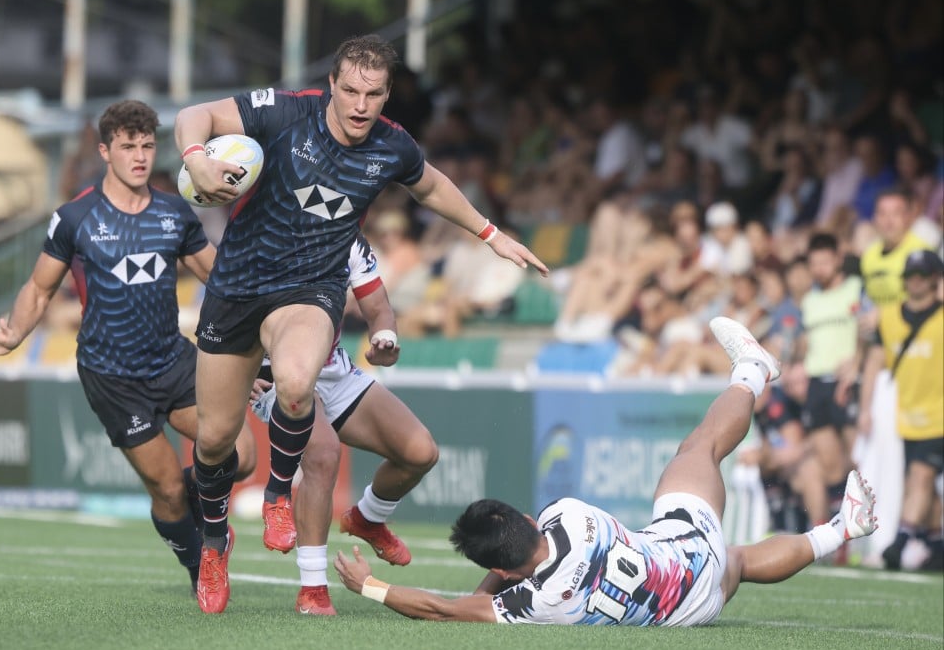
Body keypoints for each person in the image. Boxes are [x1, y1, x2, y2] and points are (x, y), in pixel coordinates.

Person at [172, 34, 548, 614]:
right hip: (235, 291)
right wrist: (197, 155)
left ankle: (277, 497)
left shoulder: (393, 147)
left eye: (373, 94)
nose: (359, 104)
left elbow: (433, 187)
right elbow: (197, 114)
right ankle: (216, 541)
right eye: (349, 90)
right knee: (215, 440)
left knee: (298, 381)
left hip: (309, 292)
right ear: (332, 85)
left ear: (386, 95)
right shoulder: (285, 113)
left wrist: (491, 235)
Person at [335, 317, 879, 624]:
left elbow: (443, 608)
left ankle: (843, 527)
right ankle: (754, 370)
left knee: (735, 557)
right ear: (527, 517)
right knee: (700, 450)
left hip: (691, 605)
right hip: (686, 551)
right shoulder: (567, 516)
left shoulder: (536, 603)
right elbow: (466, 595)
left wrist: (372, 587)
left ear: (503, 572)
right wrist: (384, 586)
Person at [0, 100, 257, 595]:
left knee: (242, 457)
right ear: (105, 151)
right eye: (127, 146)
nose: (139, 156)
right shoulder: (75, 218)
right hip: (112, 375)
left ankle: (201, 503)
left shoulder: (172, 211)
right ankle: (197, 560)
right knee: (164, 488)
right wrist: (14, 331)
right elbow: (39, 289)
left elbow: (220, 278)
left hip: (173, 360)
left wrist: (257, 339)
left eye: (146, 146)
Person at [249, 232, 438, 615]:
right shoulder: (258, 233)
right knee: (323, 454)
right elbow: (223, 312)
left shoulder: (347, 238)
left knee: (420, 452)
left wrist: (384, 338)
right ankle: (313, 589)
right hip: (276, 378)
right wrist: (235, 370)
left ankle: (368, 519)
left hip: (336, 372)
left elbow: (379, 308)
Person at [859, 250, 943, 571]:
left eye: (922, 275)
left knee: (921, 476)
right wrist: (865, 409)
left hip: (939, 417)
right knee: (925, 484)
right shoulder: (888, 316)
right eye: (911, 275)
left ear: (936, 278)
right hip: (906, 418)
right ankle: (937, 545)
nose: (915, 281)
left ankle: (900, 542)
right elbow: (874, 363)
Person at [797, 232, 863, 539]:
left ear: (838, 259)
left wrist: (856, 363)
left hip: (845, 381)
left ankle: (866, 524)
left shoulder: (855, 289)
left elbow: (867, 330)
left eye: (825, 261)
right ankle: (839, 530)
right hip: (815, 382)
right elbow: (804, 343)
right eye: (814, 263)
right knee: (831, 464)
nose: (820, 268)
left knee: (858, 456)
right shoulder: (809, 301)